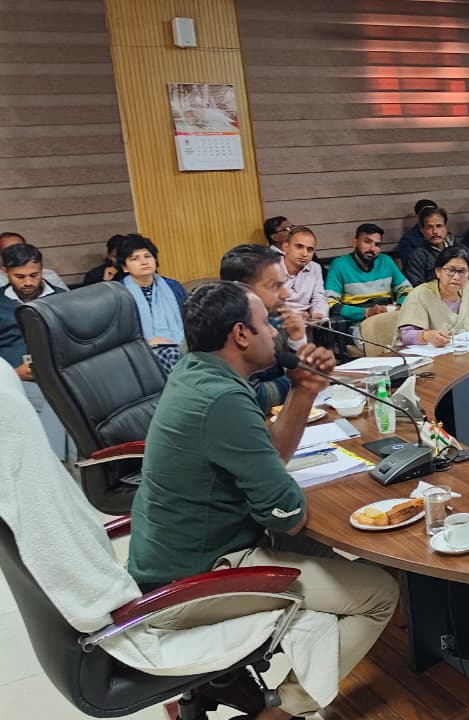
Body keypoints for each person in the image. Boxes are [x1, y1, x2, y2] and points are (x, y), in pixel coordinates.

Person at [126, 281, 399, 720]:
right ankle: (282, 712)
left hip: (176, 561)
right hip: (191, 584)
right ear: (240, 334)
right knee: (380, 593)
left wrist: (303, 390)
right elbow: (287, 515)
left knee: (338, 559)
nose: (274, 332)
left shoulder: (196, 372)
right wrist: (282, 493)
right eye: (265, 324)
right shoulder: (223, 399)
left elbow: (269, 456)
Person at [0, 243, 72, 461]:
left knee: (60, 396)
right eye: (19, 276)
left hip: (59, 375)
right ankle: (64, 464)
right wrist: (13, 372)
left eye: (34, 275)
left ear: (42, 269)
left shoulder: (61, 298)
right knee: (63, 402)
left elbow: (76, 341)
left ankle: (51, 462)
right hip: (13, 380)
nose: (28, 282)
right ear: (5, 272)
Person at [220, 244, 309, 411]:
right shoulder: (220, 330)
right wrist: (301, 380)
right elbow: (254, 397)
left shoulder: (273, 319)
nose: (286, 294)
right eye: (274, 286)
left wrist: (298, 340)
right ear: (240, 288)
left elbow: (293, 368)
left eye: (284, 284)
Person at [117, 234, 187, 373]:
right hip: (140, 351)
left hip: (182, 344)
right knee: (170, 355)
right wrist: (145, 344)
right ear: (125, 267)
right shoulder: (118, 294)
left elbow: (191, 318)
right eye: (135, 259)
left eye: (147, 256)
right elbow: (118, 334)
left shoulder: (173, 286)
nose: (144, 262)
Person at [324, 223, 411, 331]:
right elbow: (330, 303)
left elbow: (407, 290)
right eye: (367, 242)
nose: (372, 248)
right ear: (355, 242)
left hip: (389, 317)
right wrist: (365, 312)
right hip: (359, 323)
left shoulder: (386, 261)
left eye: (377, 245)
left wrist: (399, 306)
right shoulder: (339, 265)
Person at [402, 207, 469, 290]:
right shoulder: (417, 256)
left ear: (446, 227)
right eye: (429, 227)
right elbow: (418, 286)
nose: (435, 232)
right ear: (422, 230)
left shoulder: (461, 249)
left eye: (439, 226)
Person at [277, 226, 327, 321]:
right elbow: (264, 304)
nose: (304, 254)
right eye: (299, 247)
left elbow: (319, 298)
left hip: (306, 322)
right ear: (285, 247)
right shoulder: (269, 267)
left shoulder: (315, 268)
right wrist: (292, 316)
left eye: (310, 249)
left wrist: (318, 314)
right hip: (277, 323)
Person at [0, 232, 68, 292]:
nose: (28, 282)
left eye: (33, 275)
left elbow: (66, 299)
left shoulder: (49, 275)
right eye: (9, 251)